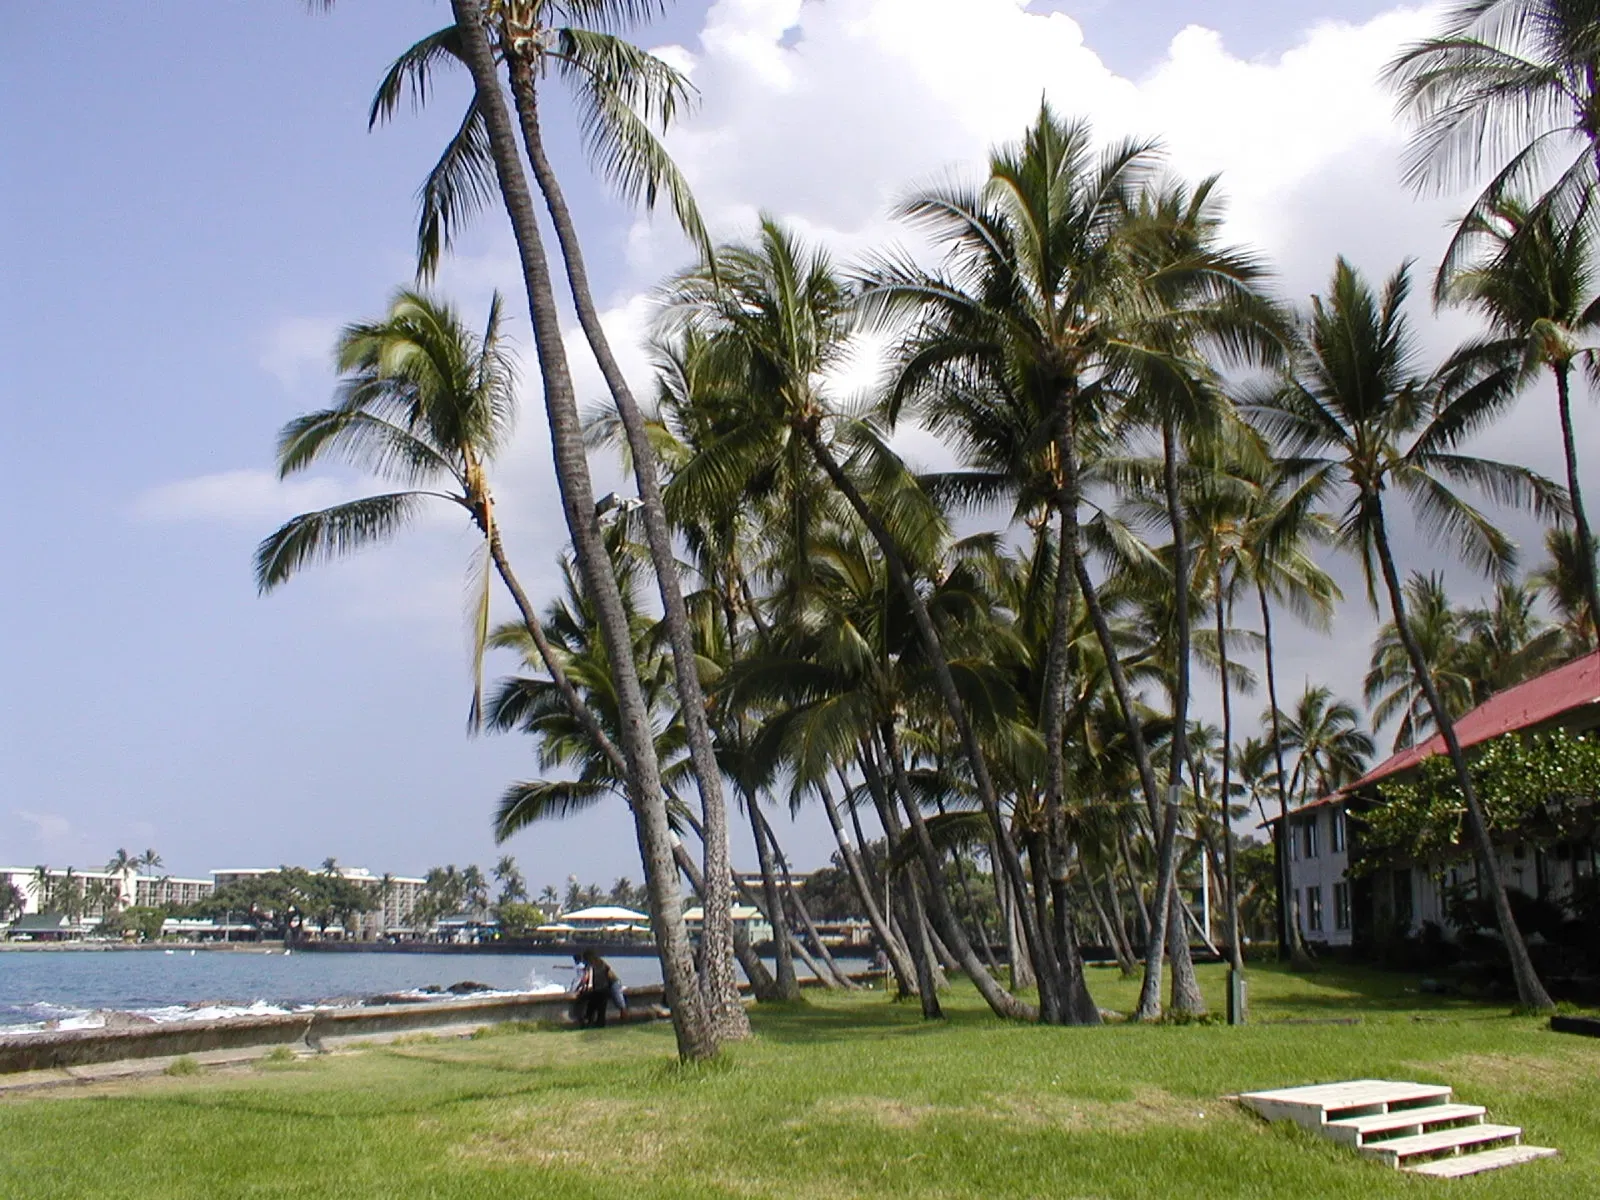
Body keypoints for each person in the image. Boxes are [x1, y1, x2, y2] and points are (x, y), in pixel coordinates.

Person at [581, 950, 621, 1028]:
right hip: (605, 988)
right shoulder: (602, 963)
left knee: (591, 1007)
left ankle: (587, 1021)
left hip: (597, 989)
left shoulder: (589, 965)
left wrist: (582, 987)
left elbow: (586, 978)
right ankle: (600, 1024)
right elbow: (610, 975)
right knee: (601, 1010)